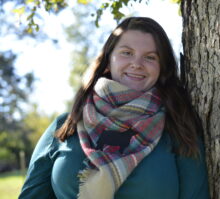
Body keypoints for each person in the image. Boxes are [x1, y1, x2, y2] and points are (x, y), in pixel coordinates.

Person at [19, 17, 209, 199]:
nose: (137, 64)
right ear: (109, 59)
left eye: (150, 57)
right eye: (127, 52)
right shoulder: (65, 126)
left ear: (162, 67)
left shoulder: (179, 129)